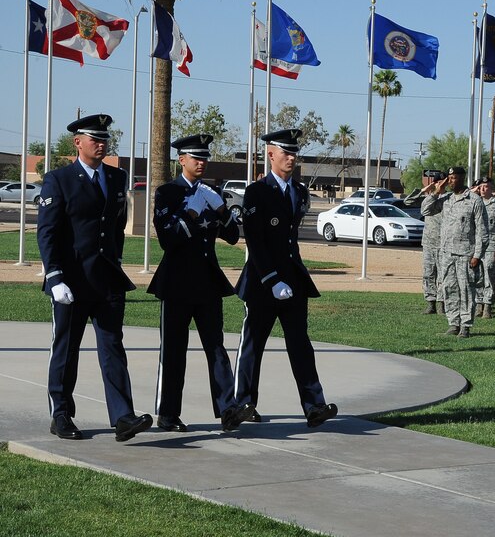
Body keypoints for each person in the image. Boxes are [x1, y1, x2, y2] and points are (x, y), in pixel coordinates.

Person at [37, 114, 152, 441]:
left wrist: (115, 259)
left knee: (113, 347)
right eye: (94, 139)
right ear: (78, 142)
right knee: (66, 349)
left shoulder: (117, 177)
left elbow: (116, 224)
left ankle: (123, 417)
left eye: (105, 139)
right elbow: (47, 232)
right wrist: (56, 278)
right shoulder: (59, 179)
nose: (101, 144)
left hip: (106, 281)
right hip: (70, 282)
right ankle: (60, 415)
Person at [148, 134, 254, 433]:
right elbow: (167, 240)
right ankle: (168, 414)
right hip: (177, 282)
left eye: (204, 157)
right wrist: (191, 211)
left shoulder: (212, 191)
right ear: (181, 160)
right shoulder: (167, 193)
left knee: (216, 349)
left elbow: (233, 236)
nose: (201, 162)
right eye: (195, 157)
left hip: (207, 282)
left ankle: (227, 410)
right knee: (174, 351)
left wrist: (222, 209)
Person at [233, 128, 337, 428]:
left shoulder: (300, 191)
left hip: (293, 280)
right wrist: (272, 279)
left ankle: (314, 405)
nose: (291, 158)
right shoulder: (257, 191)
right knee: (252, 344)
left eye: (294, 153)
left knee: (300, 344)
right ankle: (243, 403)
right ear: (271, 154)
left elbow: (290, 240)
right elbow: (255, 241)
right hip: (263, 282)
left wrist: (288, 279)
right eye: (286, 152)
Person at [421, 167, 489, 337]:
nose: (451, 181)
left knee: (466, 290)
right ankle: (453, 323)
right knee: (449, 289)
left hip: (466, 255)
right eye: (449, 178)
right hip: (447, 254)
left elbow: (482, 231)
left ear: (462, 178)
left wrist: (477, 255)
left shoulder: (474, 200)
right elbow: (425, 210)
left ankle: (465, 326)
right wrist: (437, 191)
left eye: (454, 178)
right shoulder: (446, 199)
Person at [405, 182, 444, 315]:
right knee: (428, 274)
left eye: (442, 182)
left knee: (443, 276)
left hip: (444, 243)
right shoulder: (428, 199)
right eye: (437, 182)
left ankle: (441, 304)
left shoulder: (449, 198)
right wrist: (423, 190)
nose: (439, 184)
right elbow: (408, 201)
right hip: (428, 243)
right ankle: (430, 303)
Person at [475, 176, 495, 319]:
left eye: (486, 186)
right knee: (478, 276)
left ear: (491, 188)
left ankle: (487, 306)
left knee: (489, 275)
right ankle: (479, 304)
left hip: (491, 244)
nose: (482, 189)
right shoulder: (475, 202)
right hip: (476, 245)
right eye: (480, 186)